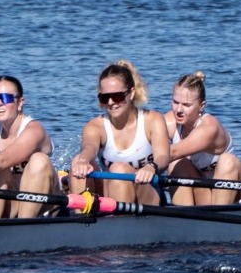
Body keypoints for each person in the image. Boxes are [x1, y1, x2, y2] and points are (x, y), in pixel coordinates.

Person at [68, 60, 171, 206]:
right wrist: (83, 161)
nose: (110, 102)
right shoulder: (95, 126)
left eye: (117, 96)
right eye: (104, 97)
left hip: (147, 194)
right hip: (111, 192)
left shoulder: (153, 120)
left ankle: (118, 219)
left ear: (131, 94)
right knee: (77, 161)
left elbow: (163, 157)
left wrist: (151, 167)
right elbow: (89, 147)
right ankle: (81, 217)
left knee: (119, 169)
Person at [0, 75, 56, 219]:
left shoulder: (34, 130)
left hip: (45, 206)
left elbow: (3, 160)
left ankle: (24, 226)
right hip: (13, 204)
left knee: (38, 160)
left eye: (6, 98)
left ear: (20, 102)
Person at [162, 71, 241, 206]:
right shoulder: (170, 121)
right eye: (175, 102)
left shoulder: (209, 128)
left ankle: (218, 216)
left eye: (186, 105)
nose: (178, 110)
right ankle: (182, 215)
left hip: (238, 195)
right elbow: (146, 138)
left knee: (227, 160)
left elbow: (172, 152)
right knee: (178, 165)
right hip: (206, 193)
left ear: (202, 105)